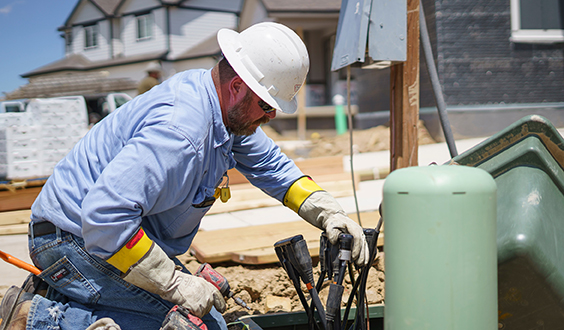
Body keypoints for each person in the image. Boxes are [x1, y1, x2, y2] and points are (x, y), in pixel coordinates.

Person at [0, 22, 369, 330]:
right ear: (238, 85)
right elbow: (104, 218)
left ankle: (63, 293)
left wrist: (329, 213)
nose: (271, 116)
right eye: (266, 104)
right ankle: (35, 318)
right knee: (194, 325)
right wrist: (175, 283)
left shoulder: (221, 111)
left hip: (99, 238)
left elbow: (273, 167)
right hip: (73, 241)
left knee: (209, 317)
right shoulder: (181, 132)